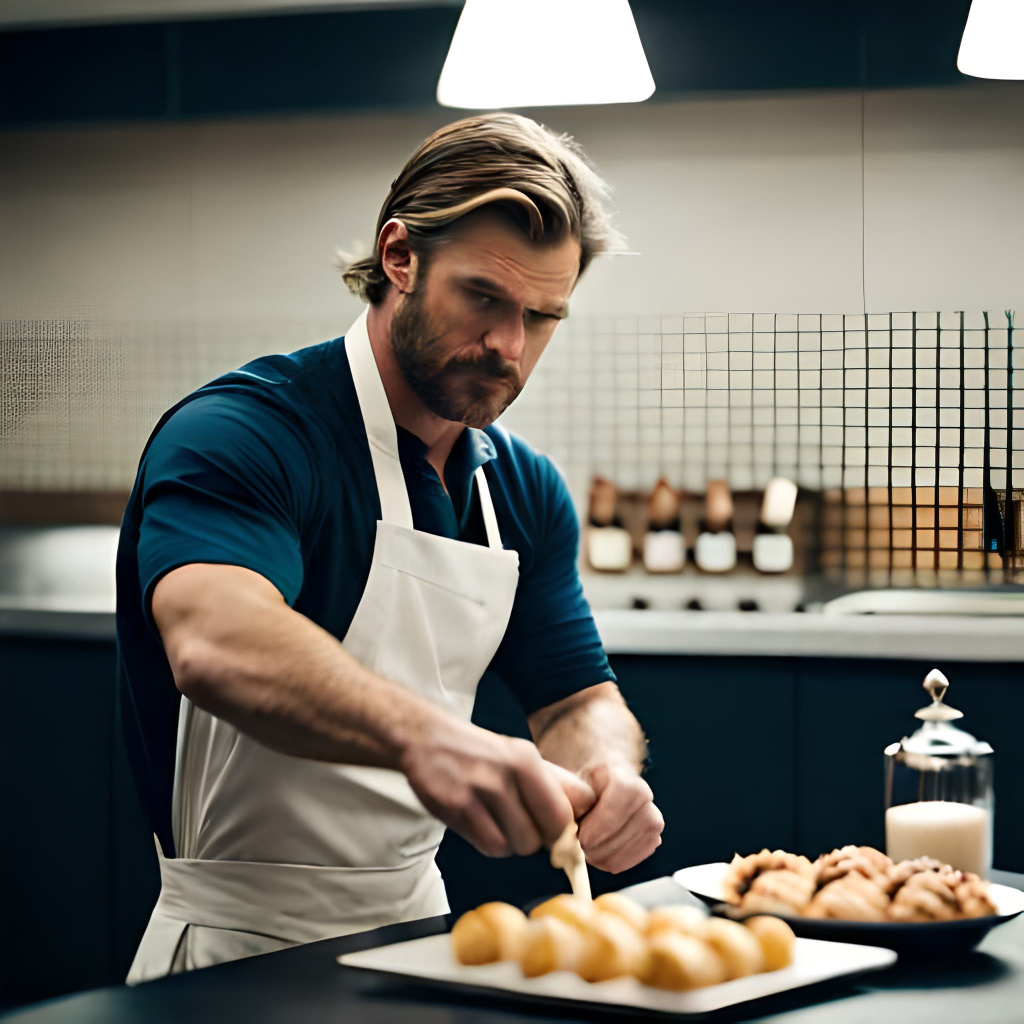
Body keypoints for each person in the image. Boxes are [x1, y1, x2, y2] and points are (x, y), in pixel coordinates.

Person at [116, 112, 664, 982]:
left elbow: (570, 700)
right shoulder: (245, 433)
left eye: (542, 316)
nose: (509, 347)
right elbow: (215, 640)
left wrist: (605, 768)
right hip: (232, 958)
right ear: (400, 258)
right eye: (483, 298)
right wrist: (431, 742)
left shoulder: (520, 490)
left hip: (422, 945)